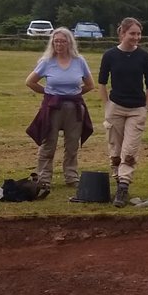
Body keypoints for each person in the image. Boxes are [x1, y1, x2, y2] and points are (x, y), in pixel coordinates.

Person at [25, 27, 95, 192]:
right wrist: (48, 93)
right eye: (56, 41)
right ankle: (43, 179)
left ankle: (71, 177)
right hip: (53, 108)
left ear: (69, 43)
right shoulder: (46, 62)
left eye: (63, 41)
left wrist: (74, 95)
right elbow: (30, 82)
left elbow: (90, 85)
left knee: (72, 144)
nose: (59, 44)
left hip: (74, 108)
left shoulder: (79, 61)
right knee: (48, 143)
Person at [99, 18, 148, 207]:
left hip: (137, 109)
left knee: (130, 149)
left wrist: (146, 107)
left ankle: (123, 185)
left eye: (138, 34)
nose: (136, 37)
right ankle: (118, 179)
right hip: (116, 107)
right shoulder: (110, 55)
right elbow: (102, 82)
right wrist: (107, 105)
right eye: (132, 33)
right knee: (115, 148)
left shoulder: (144, 56)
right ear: (122, 33)